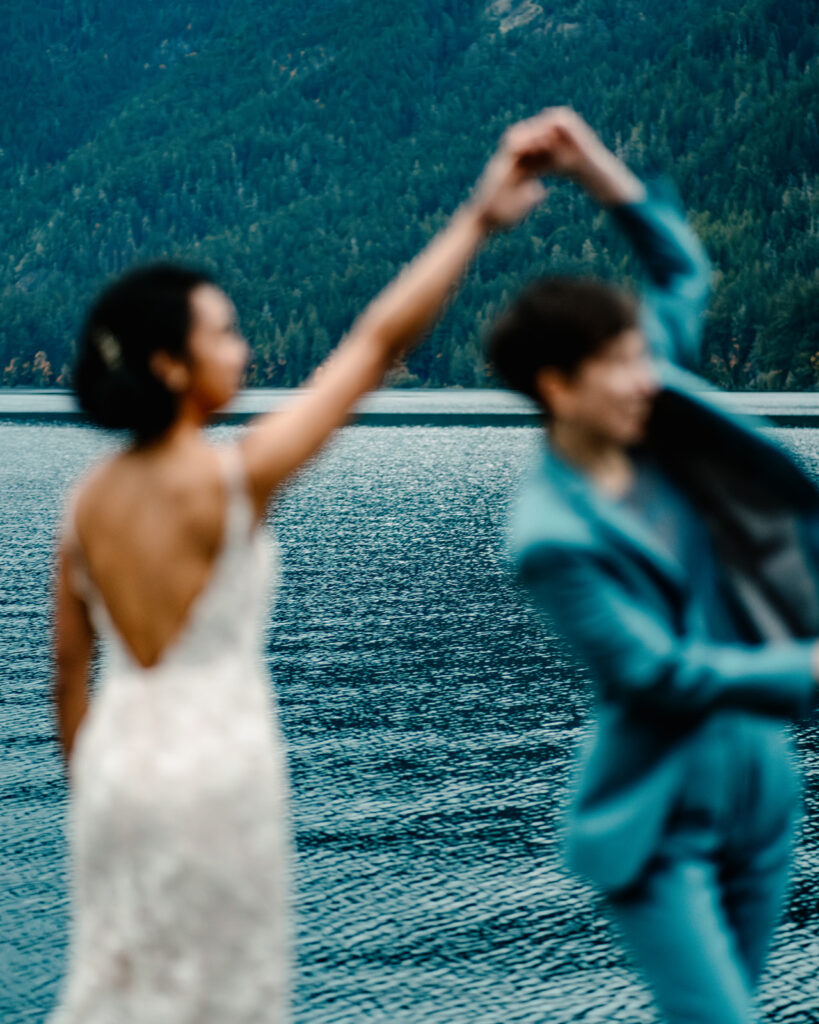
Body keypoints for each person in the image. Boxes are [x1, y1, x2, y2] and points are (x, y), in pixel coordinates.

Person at [49, 117, 554, 1024]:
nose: (240, 347)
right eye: (223, 332)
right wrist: (478, 220)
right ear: (170, 365)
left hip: (116, 769)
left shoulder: (84, 506)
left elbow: (65, 678)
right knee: (223, 997)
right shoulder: (232, 477)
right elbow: (372, 345)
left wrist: (100, 777)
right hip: (215, 768)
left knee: (118, 985)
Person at [491, 108, 819, 1024]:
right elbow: (653, 672)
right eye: (618, 365)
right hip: (656, 817)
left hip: (760, 782)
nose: (645, 375)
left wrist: (598, 170)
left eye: (641, 356)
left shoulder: (655, 413)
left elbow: (680, 270)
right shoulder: (550, 534)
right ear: (558, 388)